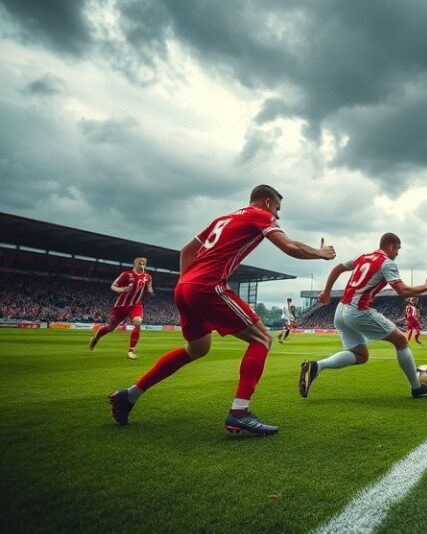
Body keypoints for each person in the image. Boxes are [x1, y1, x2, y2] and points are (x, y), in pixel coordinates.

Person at [107, 185, 336, 436]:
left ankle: (129, 396)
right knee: (262, 338)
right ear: (268, 202)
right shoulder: (260, 215)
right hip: (207, 286)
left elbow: (186, 251)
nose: (278, 217)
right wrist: (321, 253)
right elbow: (290, 247)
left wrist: (188, 282)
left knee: (197, 349)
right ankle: (239, 414)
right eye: (278, 210)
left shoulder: (224, 217)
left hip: (185, 286)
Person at [298, 233, 427, 399]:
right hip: (357, 311)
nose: (398, 254)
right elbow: (403, 291)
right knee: (401, 341)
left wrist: (327, 292)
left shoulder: (363, 256)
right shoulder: (387, 263)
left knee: (361, 355)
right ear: (391, 246)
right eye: (398, 249)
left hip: (340, 310)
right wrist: (426, 286)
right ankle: (417, 388)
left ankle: (316, 366)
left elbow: (338, 268)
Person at [89, 256, 154, 360]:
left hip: (136, 304)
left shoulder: (147, 276)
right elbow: (113, 286)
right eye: (140, 263)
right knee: (110, 328)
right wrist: (121, 289)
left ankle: (131, 350)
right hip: (121, 305)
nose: (142, 265)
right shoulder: (126, 274)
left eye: (144, 263)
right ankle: (96, 337)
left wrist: (150, 290)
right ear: (135, 264)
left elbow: (149, 285)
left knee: (138, 322)